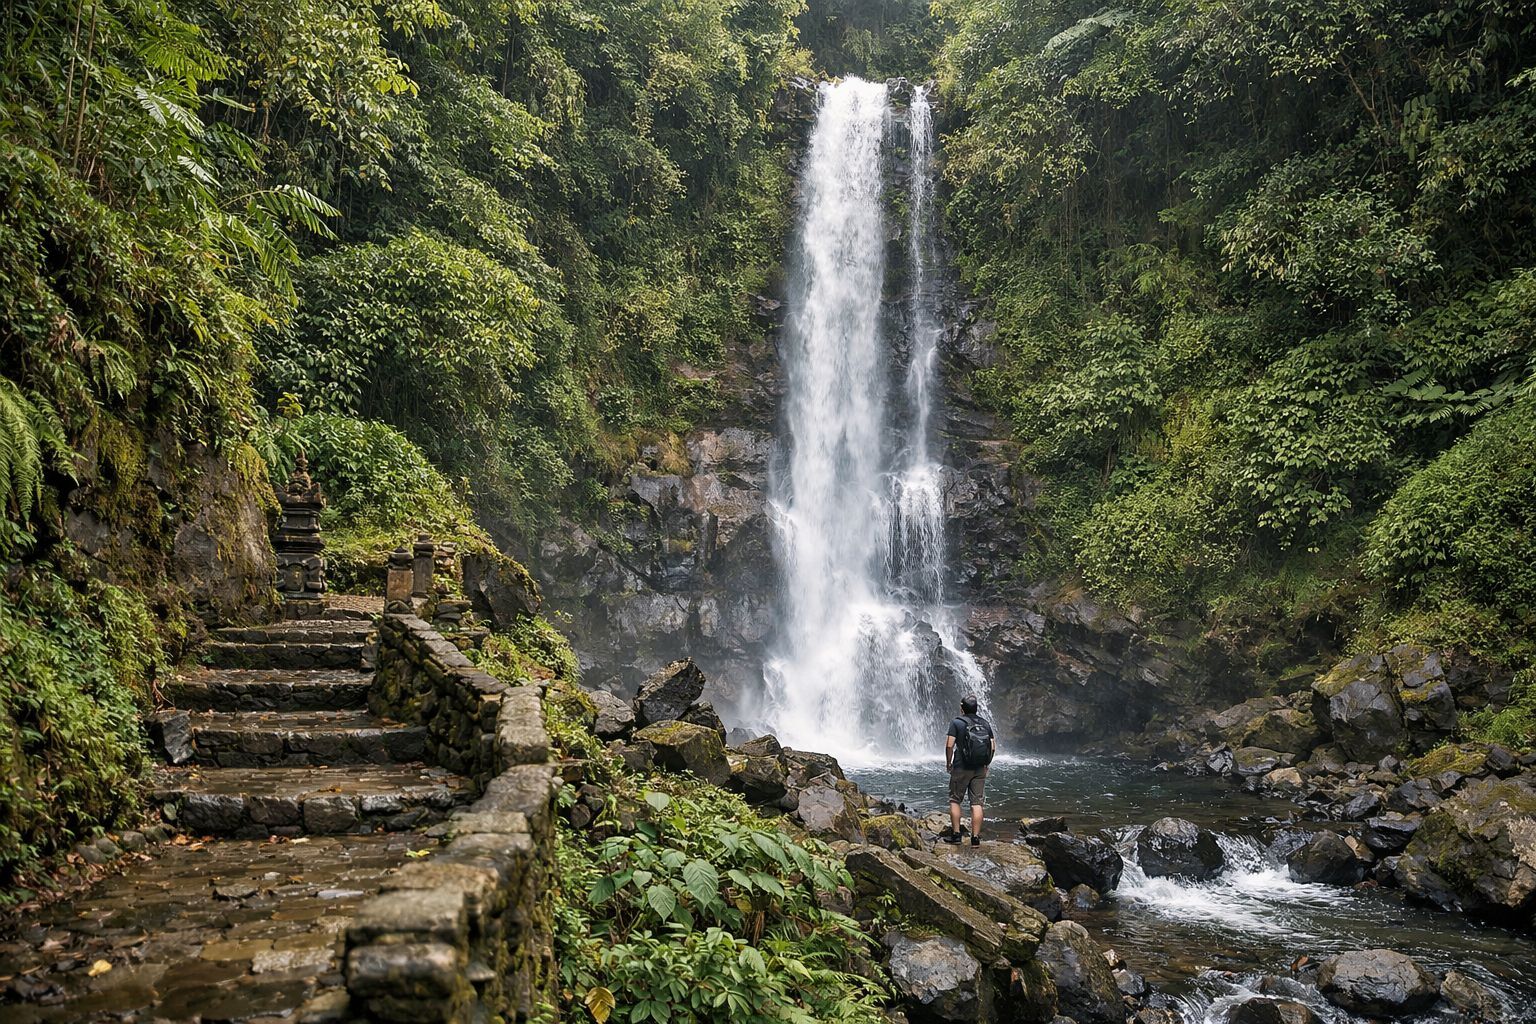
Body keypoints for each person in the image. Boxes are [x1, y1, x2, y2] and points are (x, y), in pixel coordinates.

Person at [944, 694, 995, 845]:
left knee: (955, 800)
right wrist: (986, 764)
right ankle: (975, 838)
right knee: (977, 803)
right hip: (980, 768)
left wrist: (949, 762)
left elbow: (949, 745)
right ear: (976, 708)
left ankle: (956, 835)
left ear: (962, 708)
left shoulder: (957, 723)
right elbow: (992, 747)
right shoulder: (985, 723)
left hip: (961, 766)